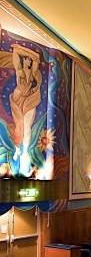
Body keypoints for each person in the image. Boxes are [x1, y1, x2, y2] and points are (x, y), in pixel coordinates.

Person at [8, 43, 42, 175]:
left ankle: (25, 152)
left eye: (29, 59)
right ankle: (17, 148)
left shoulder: (33, 72)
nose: (28, 60)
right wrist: (20, 50)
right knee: (19, 127)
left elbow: (37, 57)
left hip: (29, 99)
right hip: (18, 99)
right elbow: (15, 52)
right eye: (26, 58)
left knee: (27, 130)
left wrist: (27, 52)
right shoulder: (19, 70)